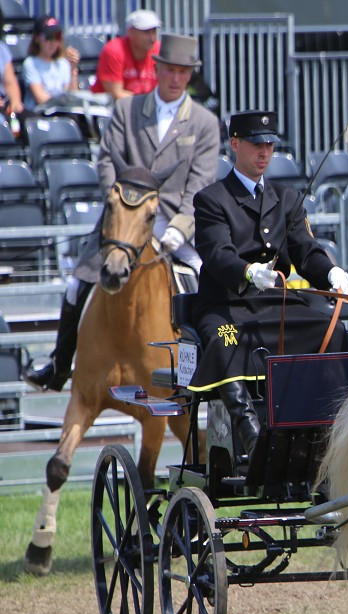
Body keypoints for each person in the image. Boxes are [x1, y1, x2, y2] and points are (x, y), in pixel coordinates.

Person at [23, 33, 219, 391]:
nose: (176, 78)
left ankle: (211, 365)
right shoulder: (127, 111)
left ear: (190, 74)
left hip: (175, 219)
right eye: (170, 70)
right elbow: (106, 163)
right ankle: (59, 363)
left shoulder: (205, 122)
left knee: (208, 275)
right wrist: (117, 204)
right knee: (76, 283)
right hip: (123, 219)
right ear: (157, 69)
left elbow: (201, 184)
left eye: (183, 72)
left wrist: (180, 227)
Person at [186, 110, 348, 462]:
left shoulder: (287, 199)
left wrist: (331, 273)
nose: (264, 152)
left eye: (270, 145)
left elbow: (306, 252)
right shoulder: (212, 199)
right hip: (226, 304)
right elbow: (217, 253)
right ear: (235, 145)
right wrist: (248, 272)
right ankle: (254, 440)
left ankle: (330, 431)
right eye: (256, 144)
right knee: (222, 341)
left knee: (330, 329)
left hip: (276, 304)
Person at [90, 9, 161, 99]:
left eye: (154, 31)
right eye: (146, 32)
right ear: (130, 32)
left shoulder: (159, 50)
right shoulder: (114, 51)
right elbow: (116, 94)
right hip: (109, 109)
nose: (153, 38)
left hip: (144, 106)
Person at [21, 15, 79, 112]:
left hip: (61, 112)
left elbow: (73, 96)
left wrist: (72, 70)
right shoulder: (30, 64)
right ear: (37, 38)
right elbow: (41, 99)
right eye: (48, 37)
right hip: (40, 114)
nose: (53, 42)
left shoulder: (63, 64)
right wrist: (63, 101)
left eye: (57, 37)